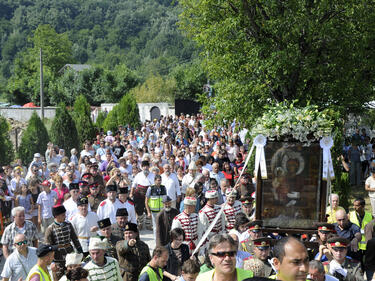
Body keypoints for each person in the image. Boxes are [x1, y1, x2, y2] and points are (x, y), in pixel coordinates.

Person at [45, 205, 83, 279]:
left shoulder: (68, 225)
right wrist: (52, 262)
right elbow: (48, 247)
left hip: (70, 255)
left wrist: (80, 251)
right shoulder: (50, 229)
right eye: (63, 215)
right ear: (56, 216)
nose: (65, 216)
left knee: (73, 276)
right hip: (57, 258)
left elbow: (75, 239)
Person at [130, 160, 155, 230]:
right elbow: (134, 185)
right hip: (139, 195)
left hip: (149, 195)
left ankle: (148, 225)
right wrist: (131, 193)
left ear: (149, 167)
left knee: (148, 210)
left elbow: (154, 185)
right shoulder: (138, 175)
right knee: (139, 209)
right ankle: (140, 223)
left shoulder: (153, 175)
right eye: (144, 166)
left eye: (146, 166)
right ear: (141, 167)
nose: (145, 168)